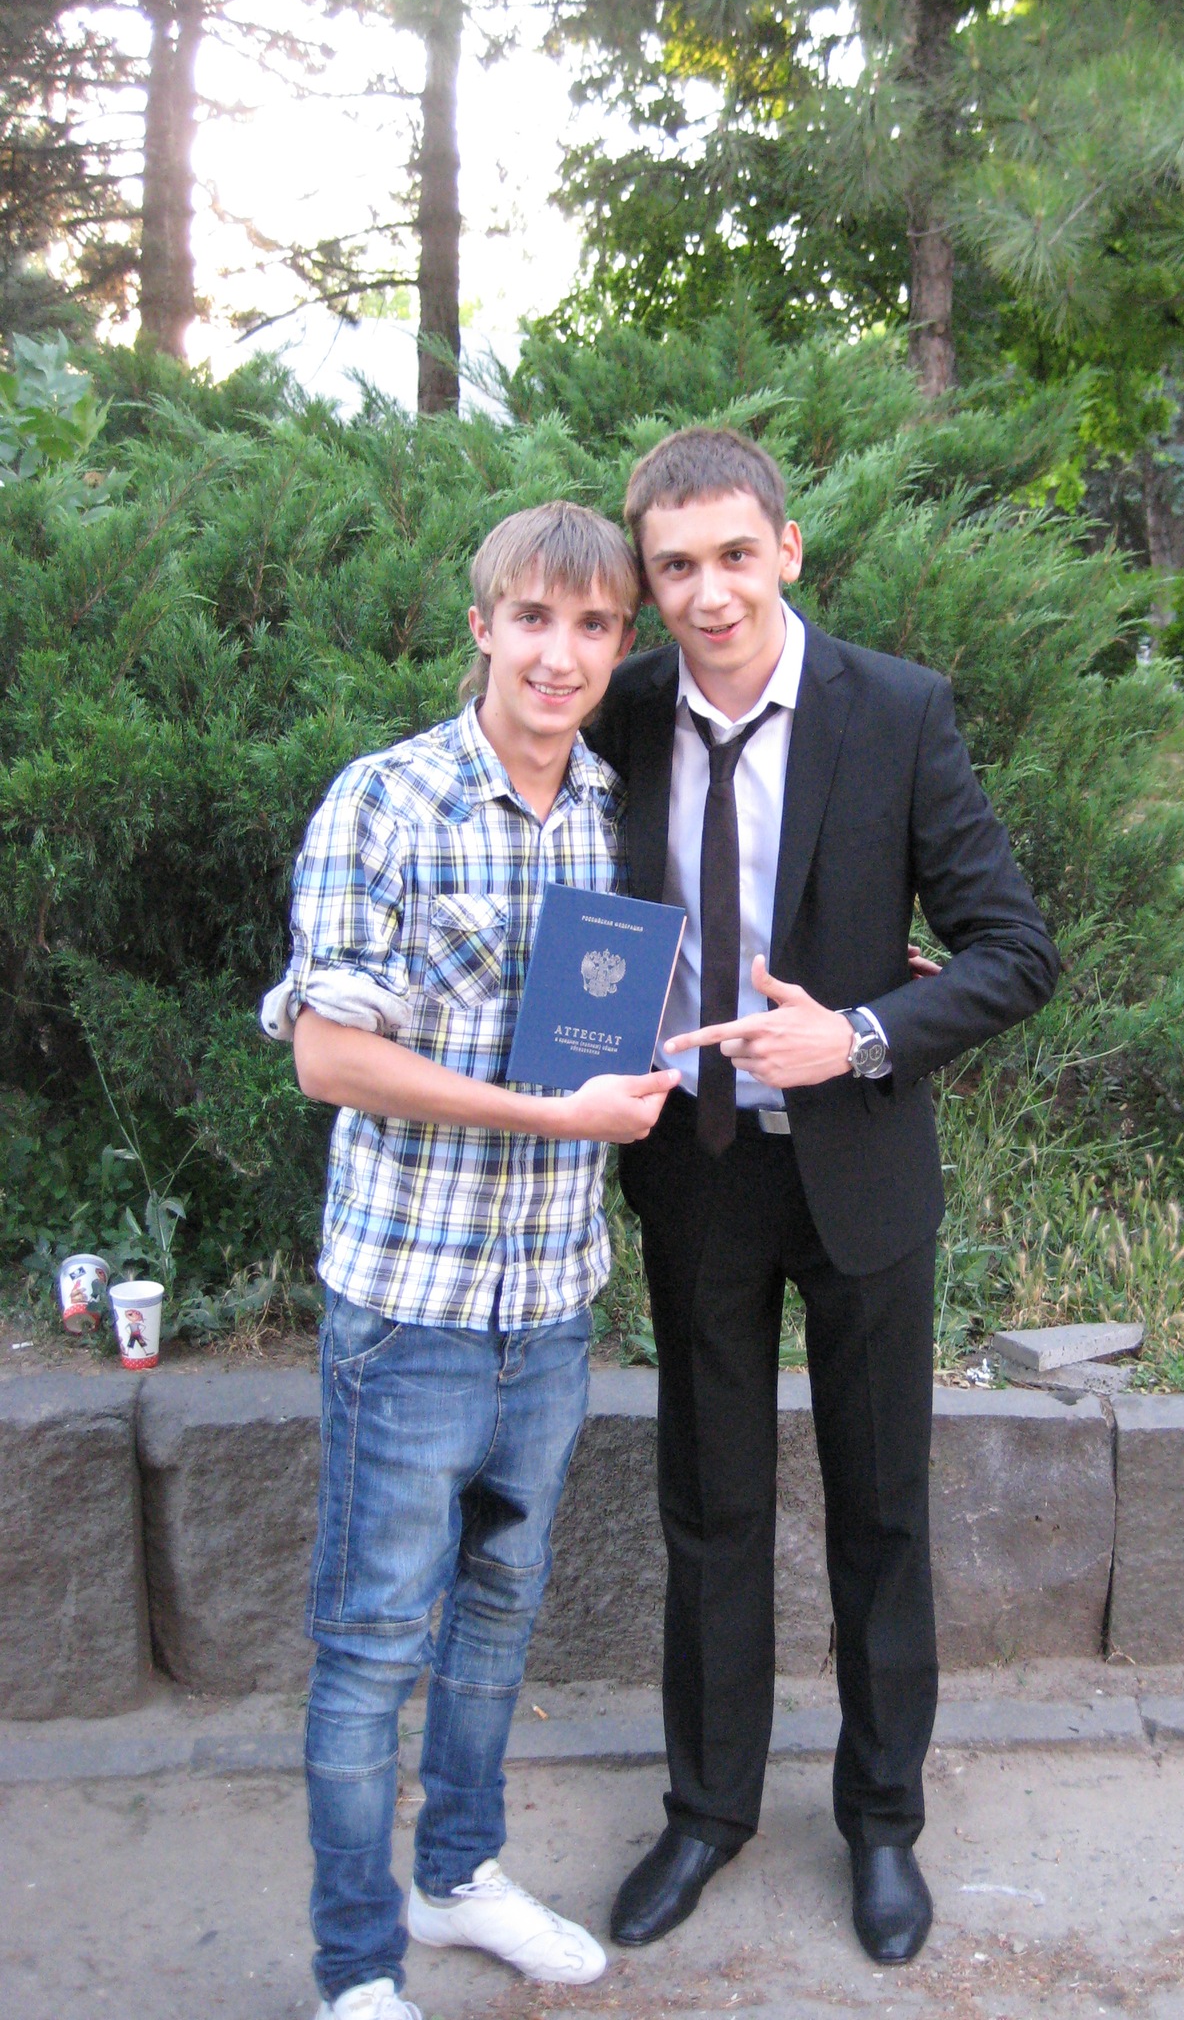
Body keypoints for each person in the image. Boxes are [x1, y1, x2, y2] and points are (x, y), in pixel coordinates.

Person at [586, 428, 1060, 1966]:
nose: (709, 592)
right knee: (711, 1507)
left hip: (858, 1168)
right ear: (647, 578)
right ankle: (707, 1811)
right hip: (697, 1165)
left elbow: (1013, 952)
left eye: (736, 554)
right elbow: (572, 899)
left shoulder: (896, 710)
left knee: (881, 1513)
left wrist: (855, 1032)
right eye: (675, 566)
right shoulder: (622, 708)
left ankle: (881, 1822)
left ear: (787, 548)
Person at [261, 501, 679, 2020]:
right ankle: (356, 1967)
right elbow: (328, 1060)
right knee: (375, 1645)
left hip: (549, 1302)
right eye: (533, 620)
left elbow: (635, 1006)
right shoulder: (386, 801)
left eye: (593, 627)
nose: (559, 655)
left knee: (500, 1613)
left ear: (618, 646)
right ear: (483, 627)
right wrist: (551, 1113)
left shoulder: (619, 814)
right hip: (414, 1308)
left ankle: (458, 1875)